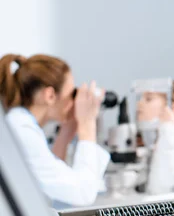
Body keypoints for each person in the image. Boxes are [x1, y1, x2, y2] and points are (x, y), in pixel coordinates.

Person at [0, 53, 110, 206]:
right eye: (71, 93)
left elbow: (55, 188)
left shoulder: (20, 123)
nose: (73, 101)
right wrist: (87, 125)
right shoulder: (22, 131)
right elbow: (82, 194)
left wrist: (66, 132)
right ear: (50, 95)